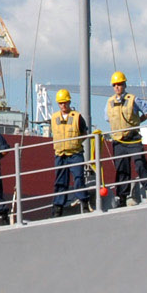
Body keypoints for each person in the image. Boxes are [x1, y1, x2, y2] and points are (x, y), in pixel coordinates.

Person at [105, 71, 147, 206]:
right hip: (118, 142)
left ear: (124, 84)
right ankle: (122, 198)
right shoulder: (109, 102)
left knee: (140, 165)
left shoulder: (133, 99)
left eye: (119, 84)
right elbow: (107, 118)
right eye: (115, 85)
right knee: (122, 169)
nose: (117, 87)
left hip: (133, 139)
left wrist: (137, 122)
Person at [50, 88, 91, 216]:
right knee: (60, 181)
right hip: (60, 154)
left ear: (69, 102)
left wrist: (76, 143)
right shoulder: (54, 117)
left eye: (65, 103)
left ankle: (84, 202)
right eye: (61, 103)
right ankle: (58, 207)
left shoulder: (77, 117)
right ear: (58, 104)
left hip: (75, 153)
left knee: (79, 178)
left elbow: (84, 132)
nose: (63, 105)